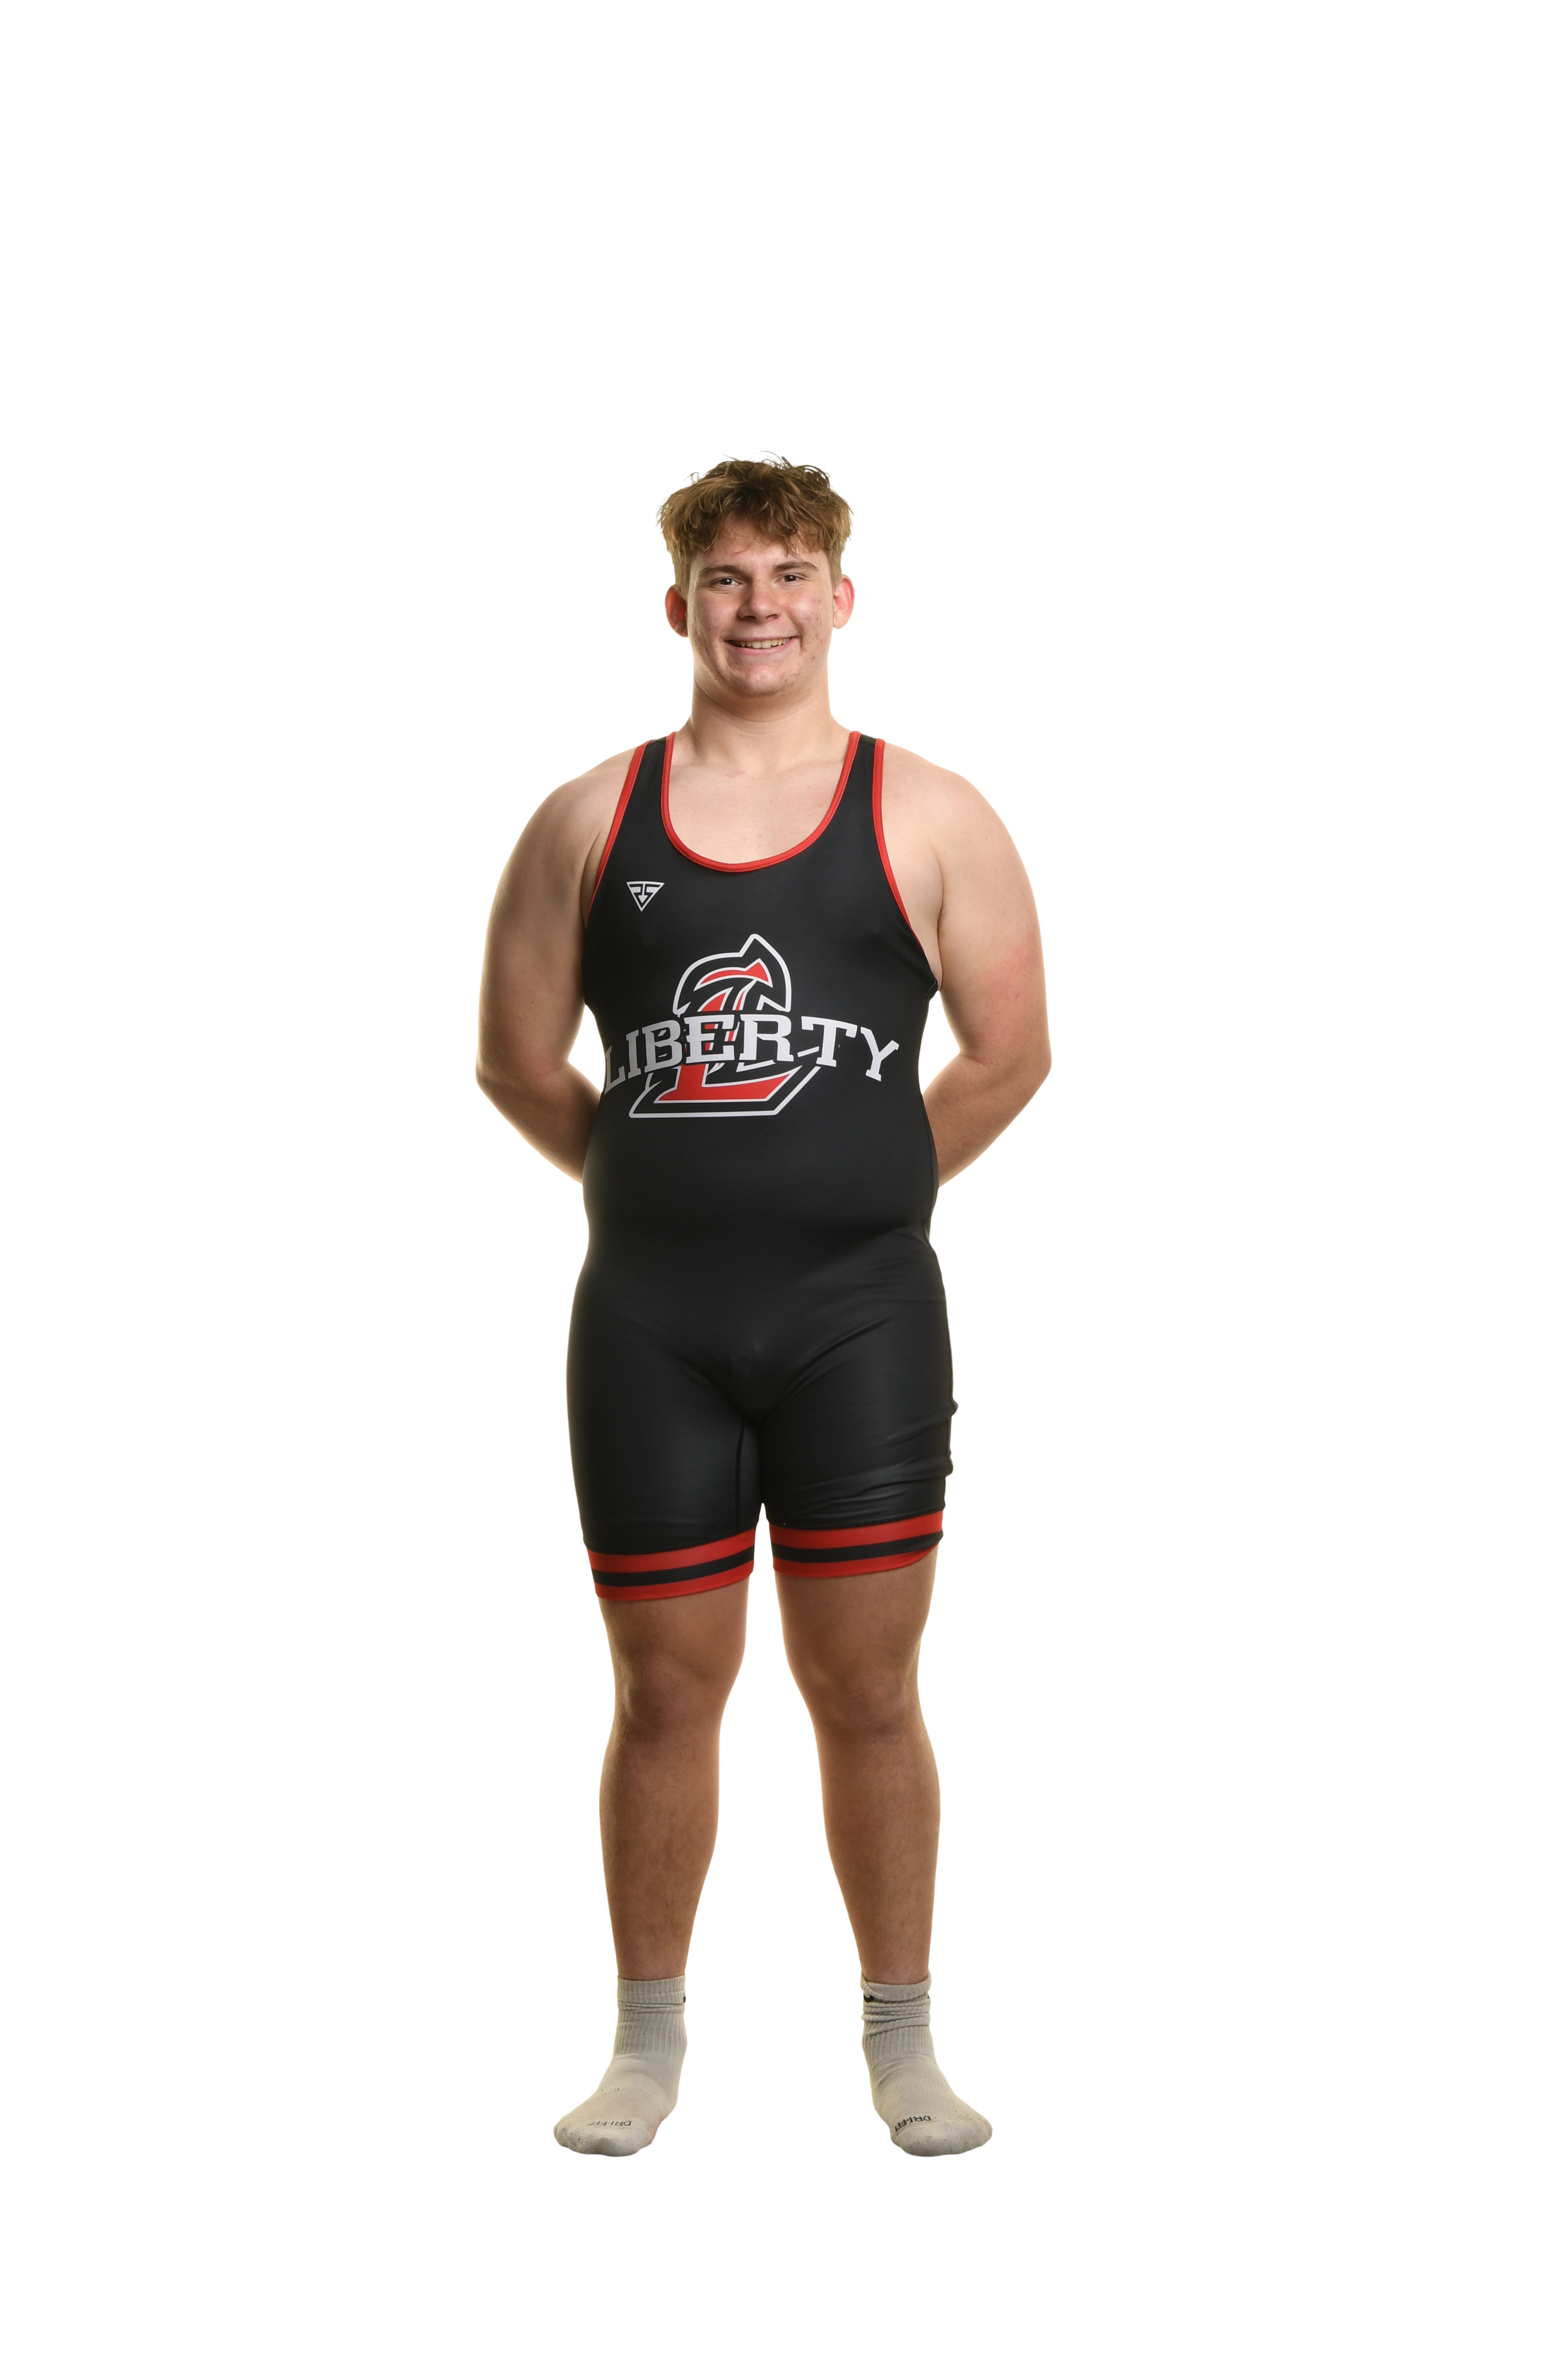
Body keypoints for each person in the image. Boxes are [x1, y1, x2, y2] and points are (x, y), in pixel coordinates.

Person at [476, 452, 1050, 2156]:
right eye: (726, 577)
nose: (759, 607)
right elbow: (516, 1061)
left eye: (792, 575)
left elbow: (1011, 1051)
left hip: (860, 1321)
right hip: (649, 1324)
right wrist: (649, 1176)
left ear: (840, 600)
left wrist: (865, 1180)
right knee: (663, 1691)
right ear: (677, 604)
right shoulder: (590, 821)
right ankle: (644, 2050)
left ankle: (905, 2048)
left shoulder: (930, 812)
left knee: (868, 1690)